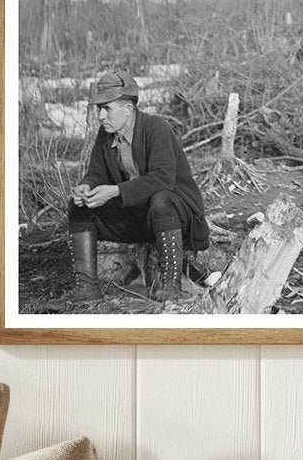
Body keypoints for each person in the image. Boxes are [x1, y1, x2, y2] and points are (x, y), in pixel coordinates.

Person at [46, 70, 208, 309]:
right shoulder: (106, 134)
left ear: (128, 110)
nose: (101, 116)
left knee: (161, 200)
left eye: (107, 109)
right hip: (140, 219)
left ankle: (172, 286)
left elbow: (163, 178)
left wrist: (115, 191)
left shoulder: (155, 127)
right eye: (99, 109)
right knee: (79, 207)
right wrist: (86, 186)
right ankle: (87, 288)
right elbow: (97, 173)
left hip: (177, 218)